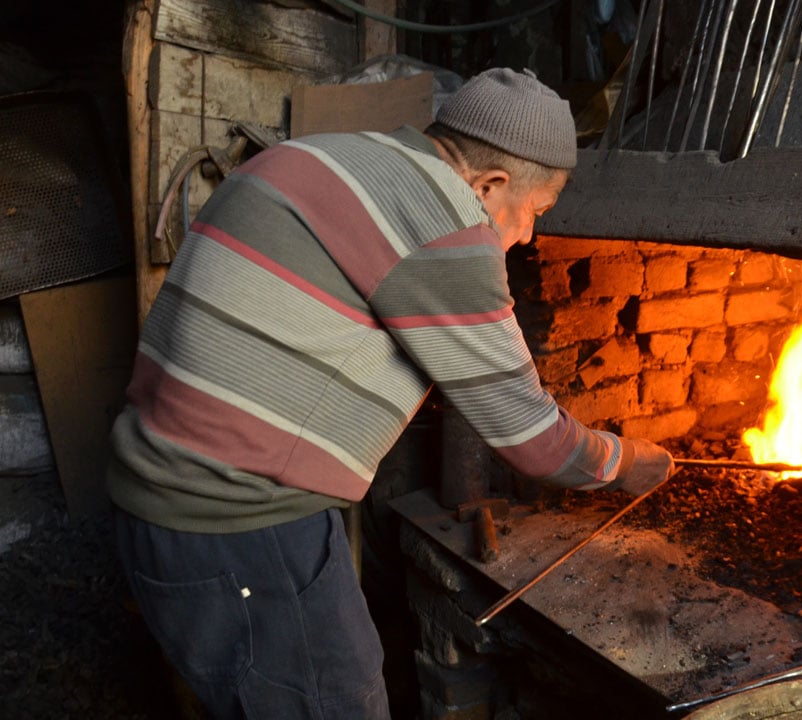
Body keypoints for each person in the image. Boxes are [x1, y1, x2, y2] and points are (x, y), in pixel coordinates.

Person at [107, 67, 674, 719]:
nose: (528, 238)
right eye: (534, 213)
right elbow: (533, 440)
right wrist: (630, 462)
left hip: (155, 503)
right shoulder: (445, 225)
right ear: (489, 185)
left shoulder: (312, 156)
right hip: (243, 533)